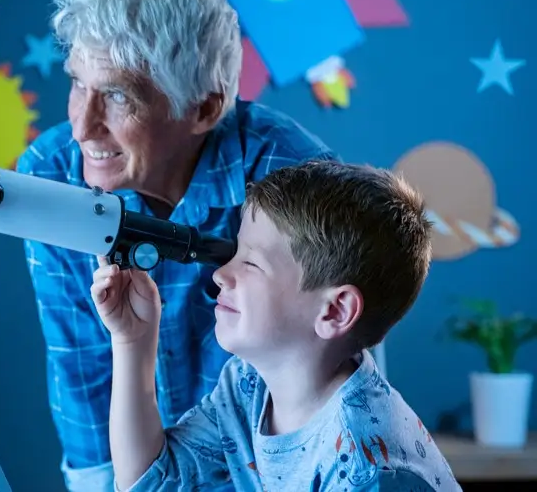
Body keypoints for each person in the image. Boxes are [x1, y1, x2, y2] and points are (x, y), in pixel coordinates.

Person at [15, 0, 339, 491]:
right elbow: (81, 364)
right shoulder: (52, 174)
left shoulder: (295, 177)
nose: (82, 126)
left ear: (205, 110)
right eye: (78, 83)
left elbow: (326, 380)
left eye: (118, 95)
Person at [91, 160, 460, 491]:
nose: (220, 274)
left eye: (251, 264)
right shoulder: (248, 386)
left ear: (334, 311)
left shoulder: (366, 469)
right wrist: (132, 341)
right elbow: (154, 484)